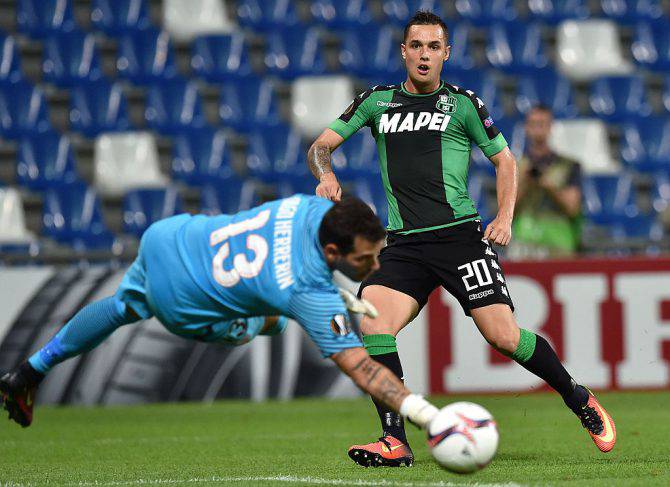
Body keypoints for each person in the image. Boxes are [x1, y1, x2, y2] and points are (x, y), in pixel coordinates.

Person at [307, 10, 616, 468]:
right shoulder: (376, 102)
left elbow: (505, 160)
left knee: (504, 337)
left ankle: (577, 397)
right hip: (405, 245)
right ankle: (394, 441)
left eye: (434, 46)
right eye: (416, 46)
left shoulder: (463, 104)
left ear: (446, 53)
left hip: (460, 240)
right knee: (373, 323)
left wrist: (504, 216)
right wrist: (326, 175)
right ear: (403, 52)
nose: (424, 55)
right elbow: (320, 146)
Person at [0, 195, 440, 442]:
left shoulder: (310, 208)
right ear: (331, 252)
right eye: (364, 260)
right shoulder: (308, 292)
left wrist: (332, 289)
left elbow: (295, 253)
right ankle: (257, 314)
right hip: (183, 305)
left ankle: (29, 371)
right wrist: (428, 416)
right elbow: (362, 369)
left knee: (121, 307)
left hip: (171, 239)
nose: (376, 266)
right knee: (271, 323)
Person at [510, 104, 583, 258]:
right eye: (533, 123)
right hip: (524, 244)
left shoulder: (568, 165)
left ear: (551, 127)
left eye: (542, 123)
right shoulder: (513, 166)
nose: (538, 129)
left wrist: (550, 187)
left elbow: (572, 208)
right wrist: (524, 183)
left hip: (557, 243)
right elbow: (505, 211)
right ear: (526, 128)